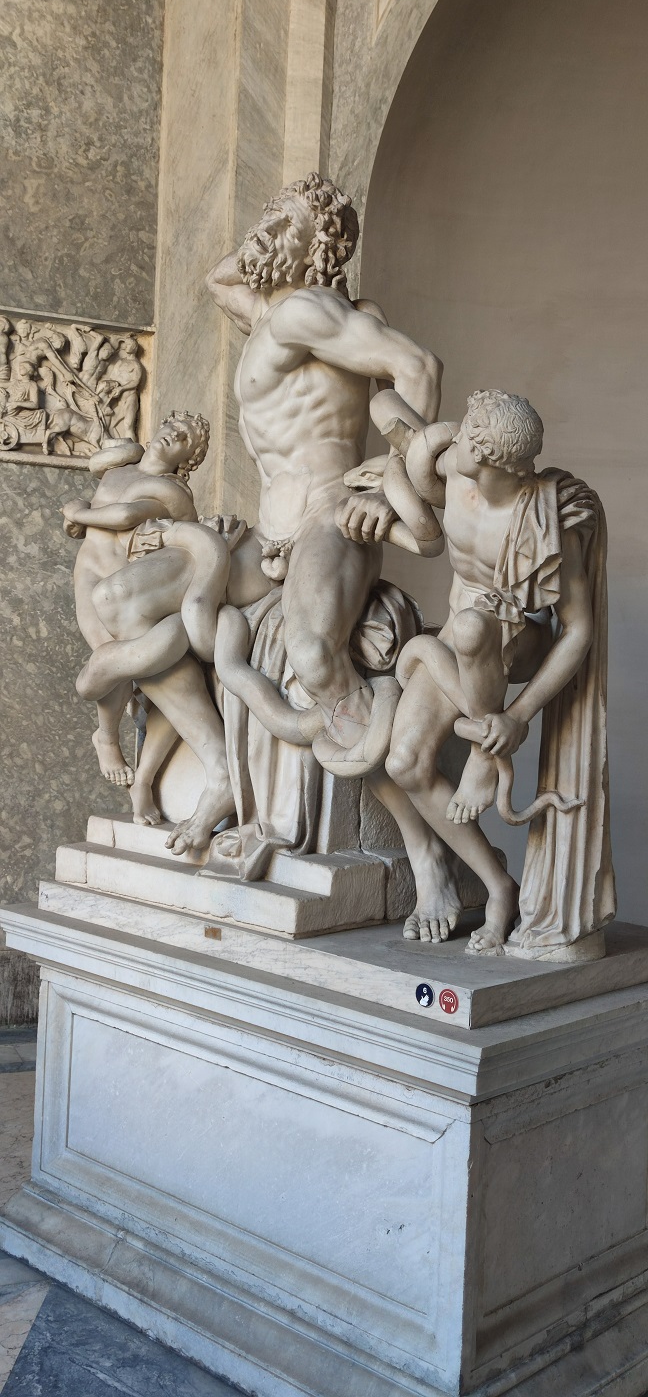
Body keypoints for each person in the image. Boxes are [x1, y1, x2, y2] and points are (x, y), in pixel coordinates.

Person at [205, 171, 443, 775]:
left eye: (286, 223)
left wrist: (392, 489)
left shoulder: (307, 313)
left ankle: (392, 800)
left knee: (312, 654)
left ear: (314, 252)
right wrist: (274, 229)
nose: (266, 227)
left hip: (329, 515)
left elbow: (419, 367)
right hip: (270, 532)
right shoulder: (268, 315)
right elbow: (219, 278)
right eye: (268, 211)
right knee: (165, 606)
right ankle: (219, 778)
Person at [353, 388, 605, 954]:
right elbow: (388, 410)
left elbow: (578, 630)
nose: (454, 436)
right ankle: (498, 885)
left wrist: (519, 715)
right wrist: (386, 495)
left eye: (467, 434)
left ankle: (486, 753)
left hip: (518, 640)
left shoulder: (544, 521)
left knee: (470, 628)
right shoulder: (454, 469)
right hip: (460, 639)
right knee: (404, 762)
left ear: (490, 459)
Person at [62, 412, 210, 791]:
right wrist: (78, 508)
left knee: (118, 660)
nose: (172, 434)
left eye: (183, 438)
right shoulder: (120, 468)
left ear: (186, 460)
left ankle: (107, 737)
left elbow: (126, 514)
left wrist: (80, 513)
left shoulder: (173, 490)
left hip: (123, 587)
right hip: (88, 572)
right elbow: (96, 498)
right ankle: (108, 735)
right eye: (171, 426)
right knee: (109, 656)